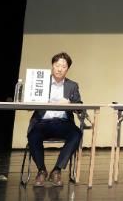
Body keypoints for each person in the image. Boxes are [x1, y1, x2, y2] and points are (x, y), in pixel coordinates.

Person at [27, 52, 83, 187]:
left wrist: (70, 104)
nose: (60, 69)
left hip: (63, 123)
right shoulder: (40, 82)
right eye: (57, 65)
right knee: (33, 134)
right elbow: (28, 103)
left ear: (67, 69)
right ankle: (41, 170)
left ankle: (57, 170)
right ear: (52, 66)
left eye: (63, 66)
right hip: (42, 122)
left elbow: (80, 107)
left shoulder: (72, 85)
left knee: (76, 134)